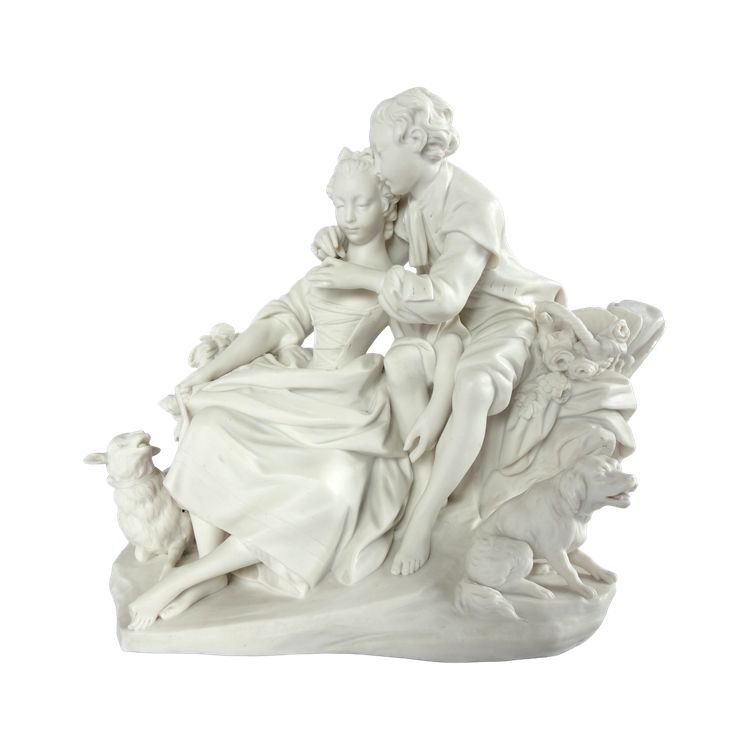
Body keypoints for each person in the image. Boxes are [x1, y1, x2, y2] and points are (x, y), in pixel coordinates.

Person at [127, 148, 460, 630]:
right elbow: (279, 324)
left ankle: (190, 576)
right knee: (211, 424)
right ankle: (213, 566)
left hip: (351, 403)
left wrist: (435, 405)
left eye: (361, 203)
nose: (348, 216)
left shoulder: (395, 282)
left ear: (387, 205)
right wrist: (209, 371)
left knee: (326, 490)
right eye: (340, 203)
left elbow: (443, 335)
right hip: (298, 384)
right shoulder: (323, 269)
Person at [310, 87, 566, 575]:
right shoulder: (410, 200)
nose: (375, 162)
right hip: (447, 323)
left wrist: (362, 276)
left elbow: (447, 294)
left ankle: (425, 517)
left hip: (500, 315)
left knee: (475, 386)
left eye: (381, 151)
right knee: (402, 363)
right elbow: (385, 250)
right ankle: (416, 480)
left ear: (416, 143)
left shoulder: (474, 205)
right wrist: (338, 238)